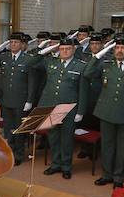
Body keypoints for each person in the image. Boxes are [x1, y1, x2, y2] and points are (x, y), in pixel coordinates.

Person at [83, 35, 124, 187]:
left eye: (123, 47)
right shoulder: (106, 64)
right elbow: (87, 73)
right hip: (106, 112)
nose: (119, 50)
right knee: (107, 146)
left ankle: (119, 177)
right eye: (117, 47)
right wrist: (98, 56)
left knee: (123, 149)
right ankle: (106, 174)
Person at [31, 37, 89, 179]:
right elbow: (31, 63)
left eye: (68, 48)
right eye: (62, 49)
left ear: (73, 50)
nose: (65, 51)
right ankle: (55, 164)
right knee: (53, 137)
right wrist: (47, 48)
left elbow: (83, 90)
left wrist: (80, 111)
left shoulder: (81, 66)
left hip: (69, 108)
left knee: (67, 139)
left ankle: (66, 166)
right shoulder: (51, 62)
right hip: (51, 106)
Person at [0, 31, 37, 165]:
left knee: (18, 129)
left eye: (16, 42)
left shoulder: (27, 59)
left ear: (21, 44)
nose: (13, 44)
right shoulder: (4, 57)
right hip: (6, 99)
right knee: (8, 129)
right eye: (11, 42)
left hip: (20, 101)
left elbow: (32, 81)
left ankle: (18, 154)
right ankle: (8, 152)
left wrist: (30, 101)